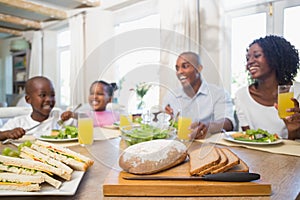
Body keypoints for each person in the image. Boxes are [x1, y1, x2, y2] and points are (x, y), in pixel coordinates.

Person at [234, 35, 300, 140]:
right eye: (248, 58)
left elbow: (294, 146)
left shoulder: (297, 92)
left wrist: (293, 132)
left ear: (274, 57)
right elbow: (249, 139)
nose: (250, 62)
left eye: (257, 55)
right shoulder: (241, 96)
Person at [163, 51, 235, 139]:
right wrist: (165, 118)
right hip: (178, 145)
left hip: (206, 145)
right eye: (177, 68)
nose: (179, 72)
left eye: (185, 66)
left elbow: (228, 123)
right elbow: (162, 123)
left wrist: (208, 127)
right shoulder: (171, 96)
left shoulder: (219, 94)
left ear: (199, 68)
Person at [0, 76, 56, 140]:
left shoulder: (58, 118)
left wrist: (69, 115)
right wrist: (8, 134)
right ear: (28, 99)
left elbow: (69, 118)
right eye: (42, 95)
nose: (49, 99)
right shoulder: (18, 122)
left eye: (52, 95)